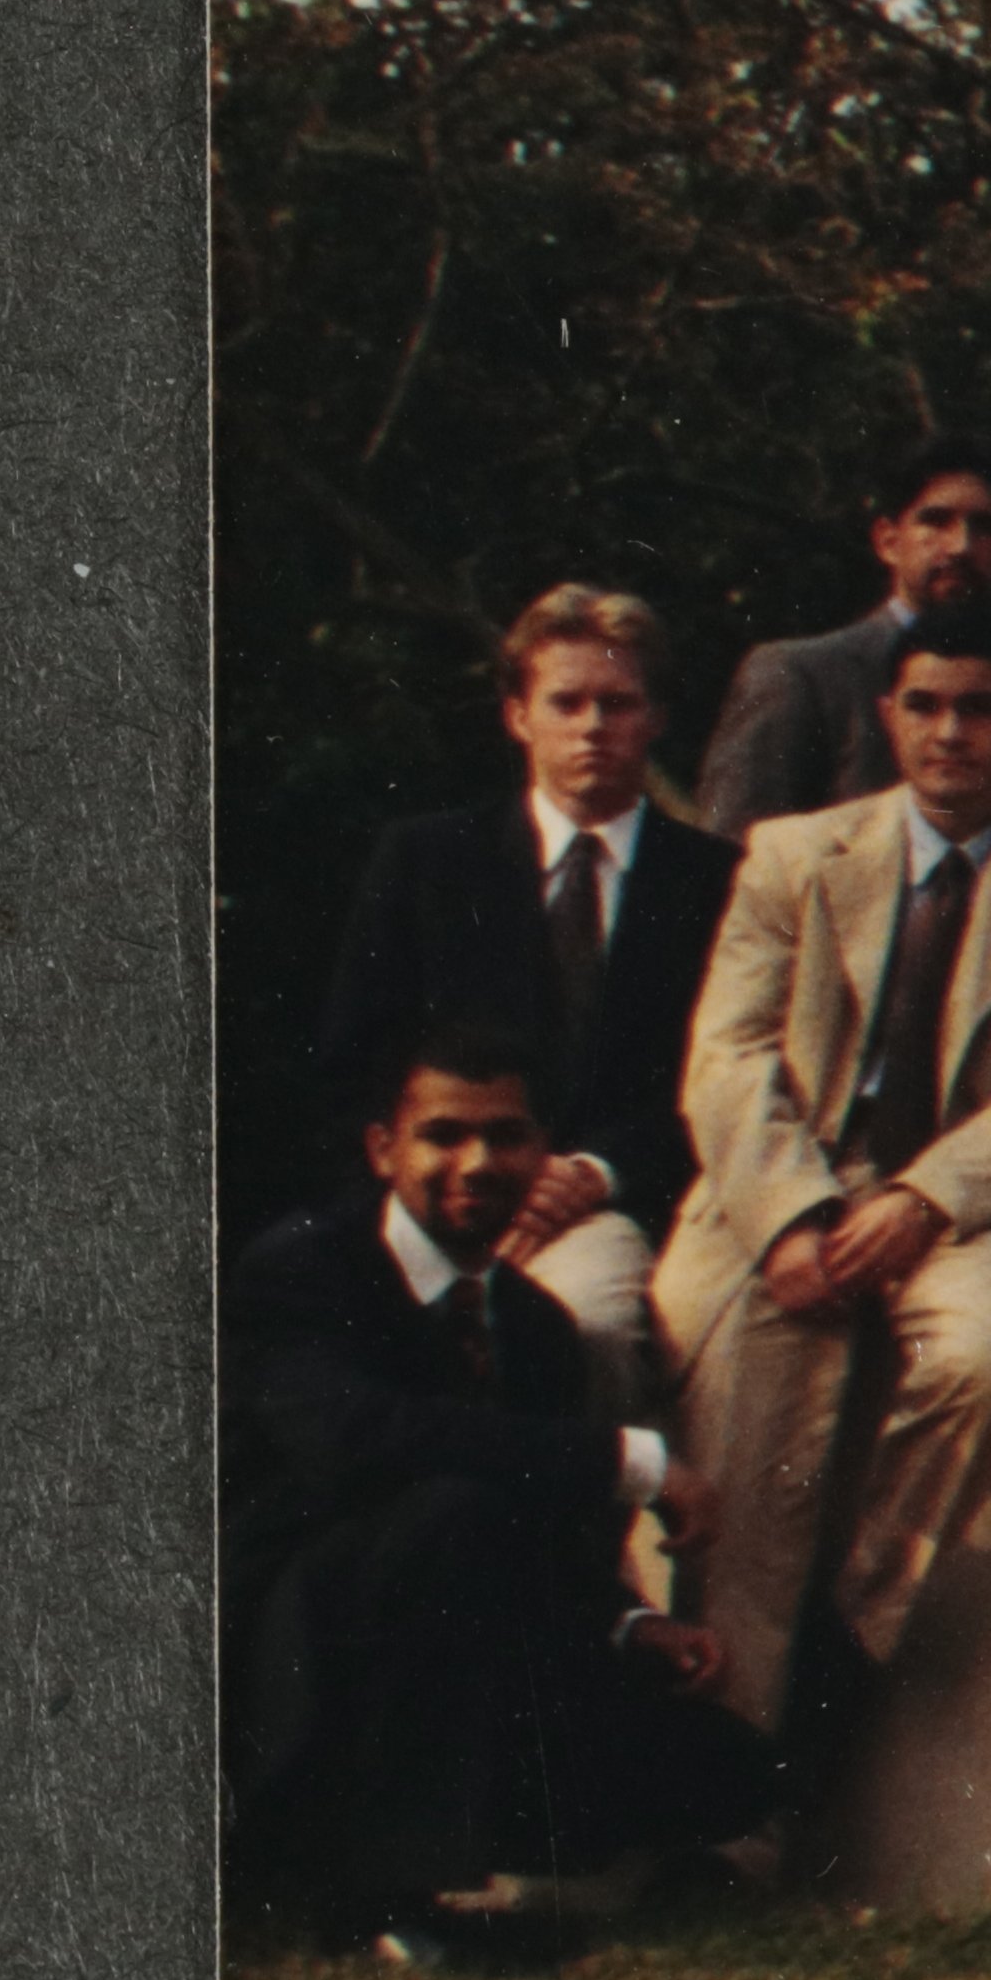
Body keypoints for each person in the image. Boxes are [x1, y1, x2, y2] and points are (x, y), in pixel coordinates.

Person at [653, 611, 991, 1735]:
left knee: (983, 1366)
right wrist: (787, 1219)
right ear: (887, 715)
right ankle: (731, 1807)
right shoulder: (792, 854)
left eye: (978, 707)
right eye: (923, 706)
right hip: (788, 1184)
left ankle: (851, 1625)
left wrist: (923, 1199)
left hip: (976, 1206)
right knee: (736, 1427)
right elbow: (727, 1054)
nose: (948, 733)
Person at [228, 1024, 776, 1964]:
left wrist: (630, 1626)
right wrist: (622, 1461)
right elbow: (356, 1440)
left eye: (509, 1135)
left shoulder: (536, 1328)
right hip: (278, 1652)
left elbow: (555, 1545)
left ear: (543, 1151)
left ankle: (625, 1858)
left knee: (730, 1768)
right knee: (455, 1512)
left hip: (454, 1642)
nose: (479, 1163)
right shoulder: (304, 1266)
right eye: (445, 1133)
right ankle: (382, 1905)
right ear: (383, 1148)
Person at [304, 584, 739, 1390]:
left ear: (657, 719)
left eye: (617, 703)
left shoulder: (718, 884)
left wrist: (597, 1172)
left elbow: (728, 1083)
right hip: (435, 1197)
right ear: (517, 715)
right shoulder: (429, 861)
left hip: (616, 1207)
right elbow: (357, 1059)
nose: (592, 728)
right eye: (566, 702)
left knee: (579, 1331)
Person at [690, 435, 991, 833]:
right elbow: (728, 855)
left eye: (986, 527)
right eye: (935, 521)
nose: (960, 546)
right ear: (888, 541)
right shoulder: (802, 676)